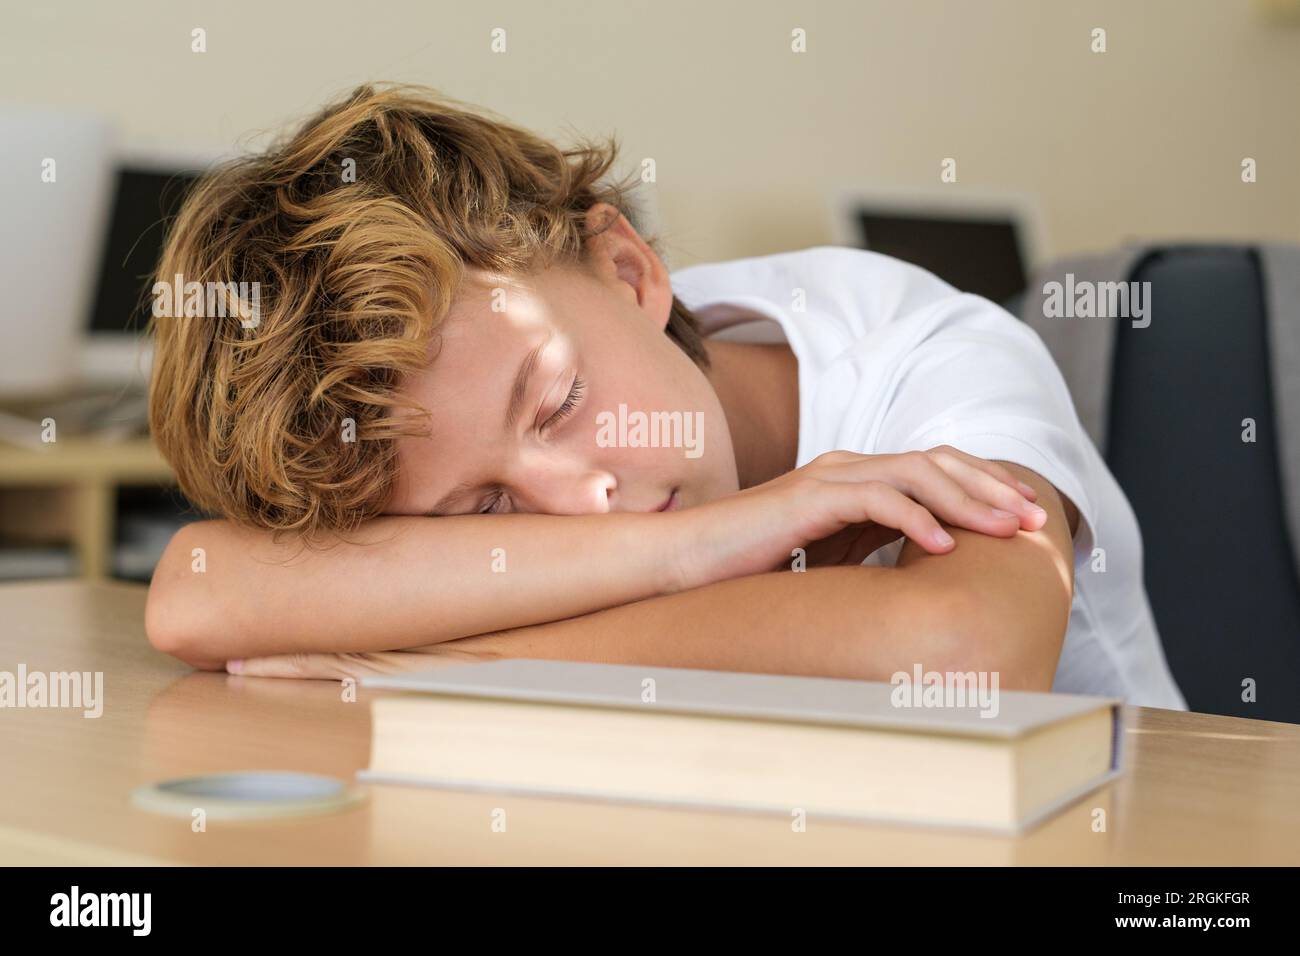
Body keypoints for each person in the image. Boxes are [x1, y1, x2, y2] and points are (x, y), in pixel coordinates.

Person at [144, 84, 1185, 709]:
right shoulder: (622, 437)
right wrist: (695, 545)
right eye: (484, 512)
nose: (577, 500)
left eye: (553, 403)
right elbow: (199, 586)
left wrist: (434, 652)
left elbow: (961, 653)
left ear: (630, 270)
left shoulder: (924, 351)